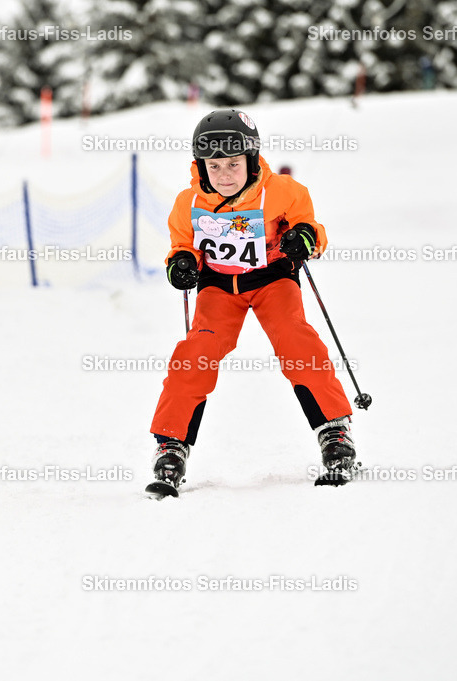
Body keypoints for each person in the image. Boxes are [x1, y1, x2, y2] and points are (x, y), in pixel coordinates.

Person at [148, 109, 357, 491]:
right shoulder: (188, 203)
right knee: (196, 350)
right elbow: (183, 244)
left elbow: (312, 228)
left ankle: (334, 433)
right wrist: (181, 263)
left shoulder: (284, 191)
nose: (224, 174)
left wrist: (304, 237)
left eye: (233, 164)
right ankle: (171, 445)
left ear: (251, 160)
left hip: (272, 279)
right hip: (218, 287)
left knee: (295, 338)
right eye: (215, 166)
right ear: (200, 166)